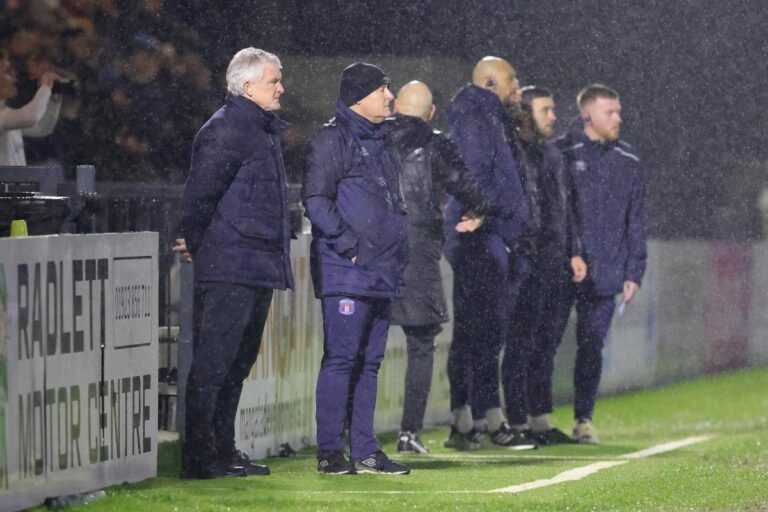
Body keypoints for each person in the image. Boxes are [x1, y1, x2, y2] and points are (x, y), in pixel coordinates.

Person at [174, 47, 294, 479]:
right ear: (247, 86)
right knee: (214, 365)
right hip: (230, 264)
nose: (281, 88)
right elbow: (199, 194)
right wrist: (197, 242)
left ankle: (223, 450)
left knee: (236, 366)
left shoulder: (256, 128)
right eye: (273, 81)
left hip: (252, 262)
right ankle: (200, 457)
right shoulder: (227, 128)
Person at [303, 62, 410, 475]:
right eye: (383, 89)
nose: (390, 96)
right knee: (343, 359)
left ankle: (365, 450)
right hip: (348, 271)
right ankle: (330, 451)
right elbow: (316, 200)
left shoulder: (384, 140)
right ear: (359, 97)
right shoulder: (333, 139)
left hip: (380, 271)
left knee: (369, 363)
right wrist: (349, 247)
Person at [388, 80, 491, 454]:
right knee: (420, 345)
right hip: (418, 252)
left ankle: (348, 435)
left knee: (361, 347)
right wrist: (478, 211)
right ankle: (408, 433)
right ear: (431, 114)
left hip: (372, 251)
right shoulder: (437, 144)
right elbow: (470, 189)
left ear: (394, 107)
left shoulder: (370, 138)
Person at [442, 56, 533, 449]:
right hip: (479, 237)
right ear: (490, 83)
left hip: (490, 235)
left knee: (479, 333)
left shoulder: (489, 116)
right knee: (481, 333)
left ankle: (469, 420)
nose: (517, 87)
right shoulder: (476, 117)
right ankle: (484, 419)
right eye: (511, 79)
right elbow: (474, 173)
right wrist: (481, 210)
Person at [554, 83, 647, 444]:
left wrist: (634, 270)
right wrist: (571, 250)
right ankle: (532, 418)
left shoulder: (629, 160)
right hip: (563, 267)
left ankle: (583, 420)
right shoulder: (563, 152)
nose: (618, 118)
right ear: (588, 115)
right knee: (543, 344)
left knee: (591, 346)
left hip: (606, 271)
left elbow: (636, 219)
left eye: (618, 111)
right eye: (610, 112)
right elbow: (559, 211)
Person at [500, 86, 586, 445]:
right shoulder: (510, 152)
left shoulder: (552, 154)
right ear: (525, 114)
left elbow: (566, 207)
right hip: (525, 261)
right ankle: (516, 419)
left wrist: (573, 250)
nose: (553, 116)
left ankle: (540, 419)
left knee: (546, 344)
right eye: (545, 110)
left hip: (554, 262)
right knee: (519, 343)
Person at [0, 52, 65, 165]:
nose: (15, 74)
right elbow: (31, 117)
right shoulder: (3, 116)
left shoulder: (5, 115)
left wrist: (52, 100)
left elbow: (42, 128)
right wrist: (45, 87)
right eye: (8, 71)